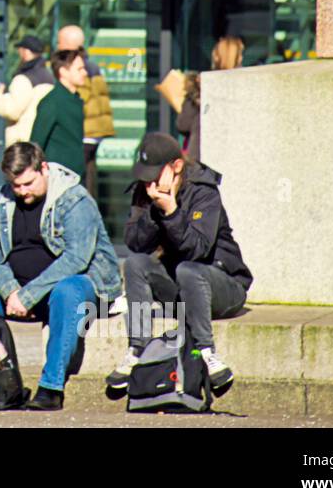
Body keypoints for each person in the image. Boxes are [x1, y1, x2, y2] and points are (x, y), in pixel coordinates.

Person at [0, 142, 122, 411]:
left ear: (43, 168)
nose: (22, 192)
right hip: (19, 290)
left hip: (79, 285)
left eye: (28, 183)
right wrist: (11, 291)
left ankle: (51, 388)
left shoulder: (75, 199)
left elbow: (77, 258)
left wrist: (29, 296)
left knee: (68, 290)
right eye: (16, 185)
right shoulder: (4, 197)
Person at [107, 132, 254, 395]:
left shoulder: (204, 192)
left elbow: (197, 249)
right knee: (135, 263)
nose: (149, 181)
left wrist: (172, 211)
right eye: (145, 174)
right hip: (182, 288)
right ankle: (137, 350)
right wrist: (154, 212)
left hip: (223, 286)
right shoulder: (146, 191)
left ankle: (208, 354)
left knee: (188, 269)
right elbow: (135, 242)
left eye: (155, 173)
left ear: (176, 166)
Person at [56, 25, 115, 196]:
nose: (57, 46)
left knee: (77, 181)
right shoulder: (92, 66)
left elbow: (79, 99)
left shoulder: (78, 68)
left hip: (83, 132)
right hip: (93, 133)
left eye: (59, 42)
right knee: (89, 178)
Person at [176, 36, 244, 163]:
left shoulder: (200, 87)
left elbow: (183, 124)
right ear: (239, 59)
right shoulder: (246, 90)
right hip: (235, 160)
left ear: (215, 57)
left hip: (200, 161)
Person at [29, 49, 89, 179]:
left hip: (75, 176)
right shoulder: (52, 102)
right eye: (79, 69)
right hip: (58, 177)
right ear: (63, 72)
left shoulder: (74, 98)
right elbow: (36, 143)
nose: (85, 73)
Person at [0, 35, 55, 146]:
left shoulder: (24, 78)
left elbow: (13, 111)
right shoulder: (49, 77)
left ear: (26, 52)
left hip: (22, 142)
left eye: (20, 50)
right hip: (42, 138)